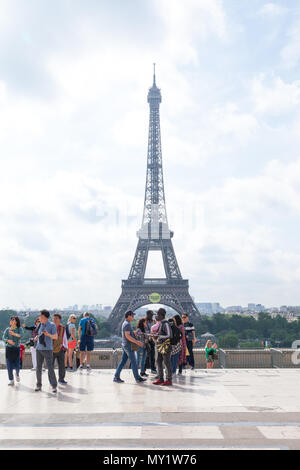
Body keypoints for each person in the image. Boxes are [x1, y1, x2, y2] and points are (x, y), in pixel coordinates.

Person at [113, 311, 146, 384]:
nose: (133, 317)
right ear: (129, 316)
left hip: (125, 345)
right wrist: (137, 342)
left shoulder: (126, 323)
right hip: (128, 346)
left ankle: (116, 376)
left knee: (123, 362)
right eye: (132, 315)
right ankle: (137, 378)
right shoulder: (127, 324)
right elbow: (127, 336)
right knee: (134, 362)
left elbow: (127, 334)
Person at [34, 309, 58, 393]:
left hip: (47, 349)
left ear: (44, 316)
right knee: (38, 368)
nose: (39, 317)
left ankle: (54, 386)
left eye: (40, 316)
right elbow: (39, 334)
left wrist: (48, 334)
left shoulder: (52, 325)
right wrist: (36, 337)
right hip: (39, 349)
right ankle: (38, 385)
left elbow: (55, 337)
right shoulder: (40, 324)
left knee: (50, 368)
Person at [152, 308, 173, 386]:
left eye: (157, 314)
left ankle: (169, 380)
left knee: (167, 363)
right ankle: (161, 378)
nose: (156, 316)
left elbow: (169, 335)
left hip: (166, 346)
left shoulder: (165, 323)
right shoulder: (161, 323)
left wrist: (159, 336)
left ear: (161, 315)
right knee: (158, 361)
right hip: (161, 346)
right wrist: (156, 335)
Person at [2, 316, 23, 386]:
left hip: (16, 349)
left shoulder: (19, 329)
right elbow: (3, 337)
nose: (11, 321)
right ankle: (11, 380)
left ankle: (17, 373)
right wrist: (8, 340)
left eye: (13, 320)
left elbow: (21, 335)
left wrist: (14, 334)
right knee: (9, 366)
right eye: (11, 320)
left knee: (17, 365)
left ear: (16, 322)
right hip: (9, 349)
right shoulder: (7, 329)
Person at [52, 313, 68, 385]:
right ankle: (52, 380)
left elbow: (64, 337)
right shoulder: (50, 327)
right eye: (54, 318)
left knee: (61, 365)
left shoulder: (62, 328)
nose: (54, 320)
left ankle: (61, 379)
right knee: (50, 366)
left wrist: (65, 346)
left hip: (60, 348)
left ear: (59, 319)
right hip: (51, 349)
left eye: (56, 318)